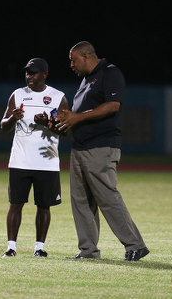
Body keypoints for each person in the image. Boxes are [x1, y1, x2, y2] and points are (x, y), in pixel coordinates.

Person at [56, 41, 149, 261]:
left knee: (107, 197)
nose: (71, 64)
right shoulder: (86, 80)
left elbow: (112, 105)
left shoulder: (110, 73)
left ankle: (135, 245)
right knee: (81, 201)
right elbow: (80, 113)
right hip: (80, 147)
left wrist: (77, 117)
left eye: (73, 59)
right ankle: (88, 250)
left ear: (86, 56)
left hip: (101, 146)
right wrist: (62, 121)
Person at [0, 57, 69, 258]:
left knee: (44, 206)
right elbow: (3, 126)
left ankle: (39, 248)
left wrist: (48, 123)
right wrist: (13, 117)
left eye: (34, 72)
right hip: (20, 161)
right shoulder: (18, 94)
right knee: (16, 203)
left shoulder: (57, 97)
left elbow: (66, 131)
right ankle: (11, 247)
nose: (29, 76)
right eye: (27, 72)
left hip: (47, 162)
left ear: (45, 74)